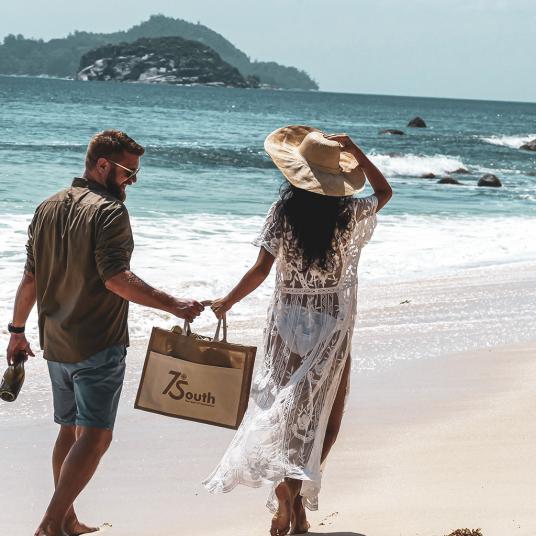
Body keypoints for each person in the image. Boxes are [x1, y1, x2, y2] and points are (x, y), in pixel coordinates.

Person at [6, 130, 204, 536]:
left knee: (70, 429)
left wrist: (16, 331)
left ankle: (67, 519)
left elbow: (30, 278)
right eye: (129, 171)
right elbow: (116, 278)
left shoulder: (46, 207)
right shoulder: (110, 212)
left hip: (55, 342)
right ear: (103, 166)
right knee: (95, 437)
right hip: (97, 341)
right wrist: (174, 305)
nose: (134, 180)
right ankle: (49, 523)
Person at [203, 125, 392, 535]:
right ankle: (296, 493)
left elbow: (260, 270)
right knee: (325, 417)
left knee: (284, 415)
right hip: (332, 324)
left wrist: (227, 302)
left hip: (286, 323)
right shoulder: (349, 214)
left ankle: (292, 502)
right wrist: (355, 150)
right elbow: (384, 192)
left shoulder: (283, 213)